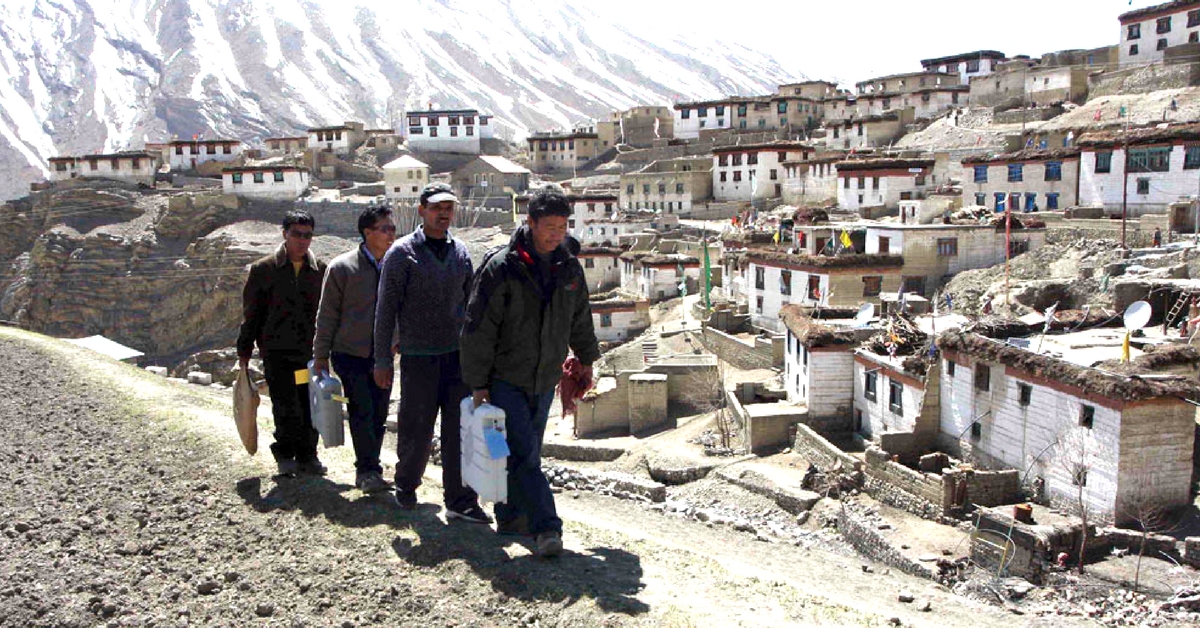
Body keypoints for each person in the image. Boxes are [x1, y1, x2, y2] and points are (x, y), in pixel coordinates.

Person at [461, 184, 600, 558]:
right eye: (550, 226)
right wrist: (478, 384)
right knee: (525, 454)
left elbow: (580, 318)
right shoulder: (502, 267)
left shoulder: (569, 268)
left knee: (521, 453)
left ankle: (509, 518)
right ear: (531, 222)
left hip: (544, 378)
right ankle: (547, 529)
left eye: (563, 226)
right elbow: (477, 329)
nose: (557, 234)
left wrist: (586, 359)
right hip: (505, 378)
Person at [372, 182, 488, 523]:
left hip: (457, 358)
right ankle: (406, 486)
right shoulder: (401, 254)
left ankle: (461, 499)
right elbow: (385, 311)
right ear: (421, 210)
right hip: (418, 358)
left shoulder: (462, 253)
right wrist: (382, 359)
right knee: (416, 427)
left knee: (460, 431)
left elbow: (470, 308)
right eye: (436, 207)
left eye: (449, 208)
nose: (444, 213)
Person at [313, 206, 397, 493]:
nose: (391, 234)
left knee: (379, 412)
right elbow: (327, 315)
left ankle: (372, 467)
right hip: (350, 354)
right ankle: (367, 471)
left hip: (383, 356)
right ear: (368, 232)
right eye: (384, 228)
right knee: (362, 410)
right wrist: (320, 355)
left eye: (392, 228)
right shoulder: (342, 268)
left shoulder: (396, 266)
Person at [237, 211, 328, 477]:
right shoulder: (264, 270)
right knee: (284, 405)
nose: (302, 241)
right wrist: (244, 350)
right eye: (296, 234)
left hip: (308, 355)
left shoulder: (320, 271)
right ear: (284, 233)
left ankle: (308, 455)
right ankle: (285, 455)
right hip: (276, 353)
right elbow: (251, 315)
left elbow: (329, 313)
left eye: (307, 235)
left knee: (309, 403)